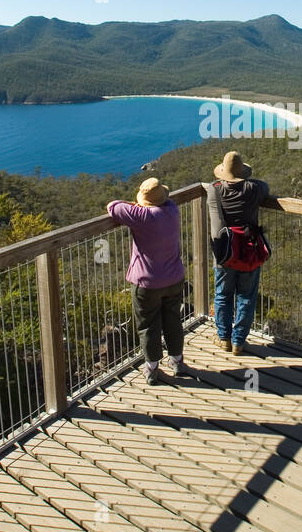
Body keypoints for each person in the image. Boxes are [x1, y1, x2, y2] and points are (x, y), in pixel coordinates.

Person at [107, 178, 188, 385]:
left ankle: (152, 369)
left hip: (147, 283)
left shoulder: (141, 216)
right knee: (172, 319)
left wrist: (137, 205)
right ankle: (177, 361)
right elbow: (165, 201)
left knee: (148, 325)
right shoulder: (172, 210)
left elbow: (113, 206)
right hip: (174, 278)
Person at [205, 151, 280, 355]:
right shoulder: (254, 188)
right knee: (246, 296)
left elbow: (215, 226)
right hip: (249, 251)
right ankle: (238, 342)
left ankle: (224, 338)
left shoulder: (214, 190)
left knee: (223, 295)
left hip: (224, 254)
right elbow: (265, 186)